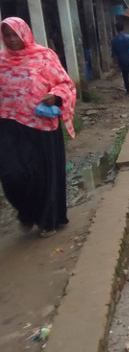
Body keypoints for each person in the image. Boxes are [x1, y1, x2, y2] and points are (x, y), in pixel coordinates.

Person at [0, 17, 76, 238]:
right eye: (7, 35)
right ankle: (26, 212)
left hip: (40, 127)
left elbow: (65, 84)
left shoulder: (43, 56)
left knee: (42, 177)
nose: (12, 40)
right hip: (8, 126)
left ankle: (47, 220)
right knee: (11, 175)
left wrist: (57, 96)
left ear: (25, 33)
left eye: (15, 34)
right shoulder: (2, 61)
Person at [111, 23, 129, 94]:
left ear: (116, 29)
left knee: (125, 76)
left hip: (122, 60)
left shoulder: (114, 40)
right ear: (123, 28)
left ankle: (128, 91)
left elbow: (114, 54)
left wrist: (116, 64)